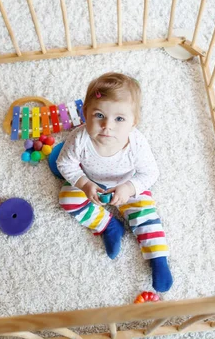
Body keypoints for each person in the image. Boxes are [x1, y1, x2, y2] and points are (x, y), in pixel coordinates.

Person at [56, 72, 173, 292]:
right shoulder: (79, 138)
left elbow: (150, 173)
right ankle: (109, 225)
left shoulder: (136, 143)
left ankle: (158, 258)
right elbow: (65, 164)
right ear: (85, 113)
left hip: (127, 185)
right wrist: (83, 183)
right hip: (93, 184)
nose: (107, 126)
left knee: (146, 216)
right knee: (67, 198)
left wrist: (129, 188)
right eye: (99, 115)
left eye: (119, 119)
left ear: (133, 122)